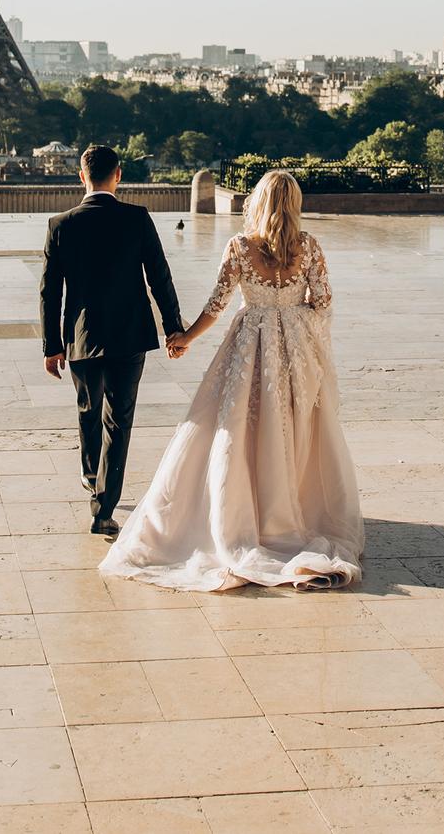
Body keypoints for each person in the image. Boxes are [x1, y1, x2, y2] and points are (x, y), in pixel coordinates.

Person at [101, 168, 363, 590]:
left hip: (249, 343)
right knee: (293, 427)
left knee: (238, 426)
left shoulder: (240, 247)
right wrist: (294, 327)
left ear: (257, 201)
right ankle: (285, 510)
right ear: (294, 204)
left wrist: (184, 337)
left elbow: (217, 304)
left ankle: (242, 514)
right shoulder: (309, 246)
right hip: (295, 348)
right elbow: (324, 302)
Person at [40, 144, 186, 535]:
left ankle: (92, 477)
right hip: (129, 334)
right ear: (118, 175)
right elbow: (160, 277)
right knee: (119, 421)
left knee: (88, 411)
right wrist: (174, 326)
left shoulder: (61, 224)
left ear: (81, 177)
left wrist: (51, 345)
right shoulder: (138, 219)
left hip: (82, 336)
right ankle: (103, 506)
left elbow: (50, 292)